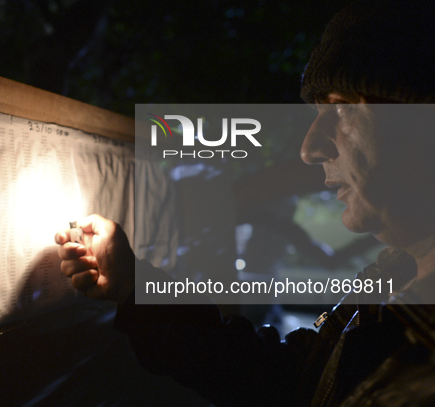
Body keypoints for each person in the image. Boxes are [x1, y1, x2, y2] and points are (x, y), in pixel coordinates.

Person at [55, 1, 435, 405]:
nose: (309, 149)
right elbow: (283, 379)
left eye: (341, 108)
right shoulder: (390, 286)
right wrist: (136, 285)